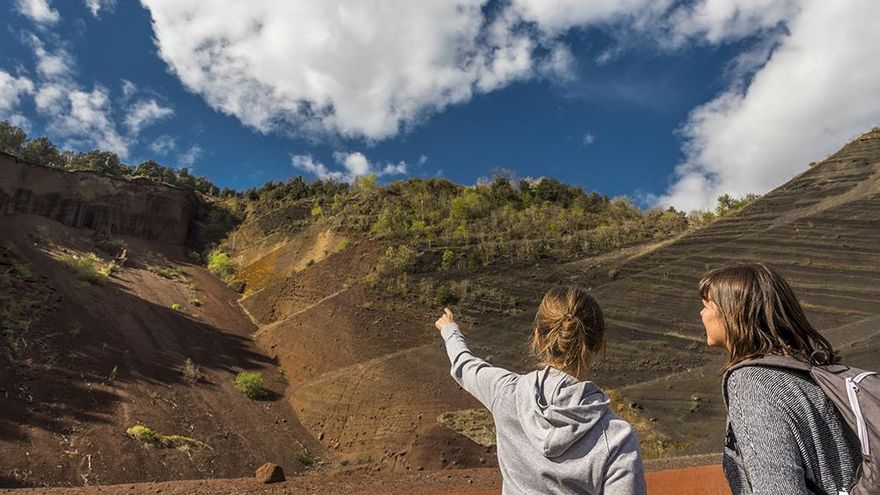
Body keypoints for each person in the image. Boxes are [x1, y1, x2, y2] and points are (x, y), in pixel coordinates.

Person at [434, 286, 646, 494]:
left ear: (539, 339)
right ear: (599, 343)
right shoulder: (617, 439)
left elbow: (466, 366)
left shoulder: (506, 393)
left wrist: (450, 330)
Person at [699, 263, 862, 494]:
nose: (702, 314)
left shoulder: (751, 382)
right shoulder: (812, 370)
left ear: (733, 313)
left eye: (707, 305)